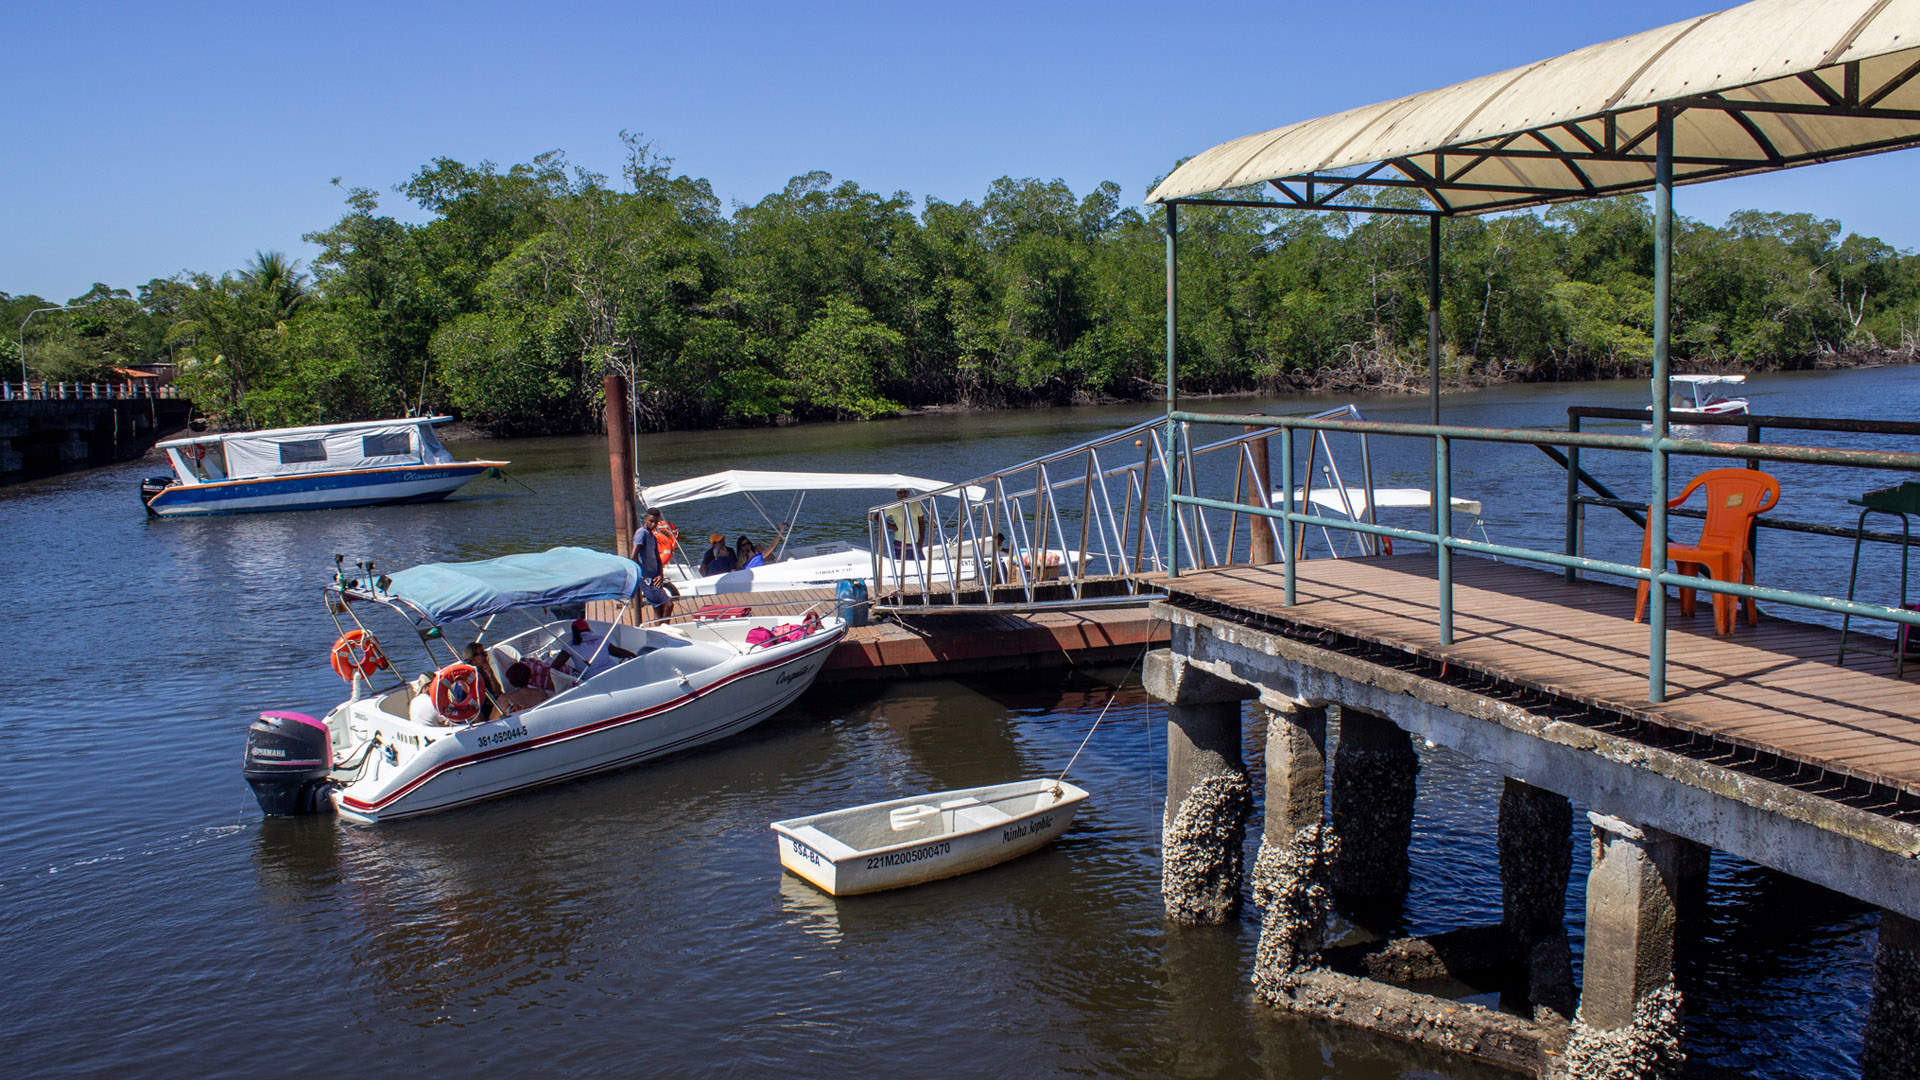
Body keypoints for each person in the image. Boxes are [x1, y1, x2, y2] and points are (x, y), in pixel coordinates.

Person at [631, 510, 675, 621]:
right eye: (651, 521)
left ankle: (659, 633)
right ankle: (664, 630)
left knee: (658, 608)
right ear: (645, 519)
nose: (653, 524)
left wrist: (660, 574)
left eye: (655, 522)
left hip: (655, 576)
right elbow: (633, 556)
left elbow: (658, 558)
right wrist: (643, 575)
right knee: (668, 604)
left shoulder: (652, 536)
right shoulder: (641, 533)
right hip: (647, 579)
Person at [882, 488, 928, 559]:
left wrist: (921, 540)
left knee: (921, 565)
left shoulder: (916, 504)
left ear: (908, 493)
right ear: (897, 494)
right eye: (900, 492)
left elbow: (921, 522)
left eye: (905, 492)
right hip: (901, 543)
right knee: (904, 568)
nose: (903, 494)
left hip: (916, 542)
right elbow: (878, 517)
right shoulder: (893, 506)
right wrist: (890, 526)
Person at [465, 641, 504, 723]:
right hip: (478, 709)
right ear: (473, 659)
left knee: (505, 698)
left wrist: (490, 675)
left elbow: (498, 692)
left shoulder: (485, 670)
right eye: (483, 654)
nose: (486, 656)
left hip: (491, 705)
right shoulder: (467, 675)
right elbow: (477, 698)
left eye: (485, 653)